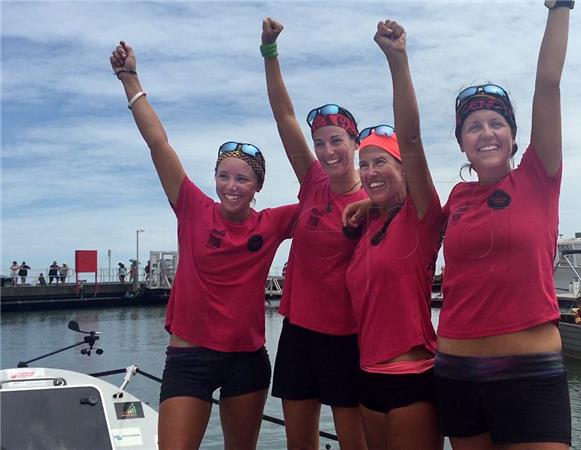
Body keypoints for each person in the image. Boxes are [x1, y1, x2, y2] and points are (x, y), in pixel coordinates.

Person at [111, 40, 298, 450]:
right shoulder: (193, 207)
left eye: (242, 179)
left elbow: (326, 203)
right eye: (224, 176)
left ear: (257, 187)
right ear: (214, 178)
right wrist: (130, 79)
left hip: (246, 361)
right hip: (188, 359)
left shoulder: (273, 222)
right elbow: (158, 142)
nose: (231, 187)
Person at [433, 3, 573, 448]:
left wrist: (560, 8)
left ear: (514, 136)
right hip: (457, 372)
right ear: (461, 143)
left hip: (531, 373)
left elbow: (548, 84)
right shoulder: (455, 199)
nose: (486, 132)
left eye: (497, 122)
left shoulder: (539, 176)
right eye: (473, 126)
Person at [260, 18, 368, 450]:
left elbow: (412, 193)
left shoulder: (371, 198)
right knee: (298, 443)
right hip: (299, 331)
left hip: (346, 337)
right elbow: (283, 115)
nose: (326, 151)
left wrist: (374, 204)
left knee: (353, 442)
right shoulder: (312, 182)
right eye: (320, 142)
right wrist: (269, 51)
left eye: (336, 140)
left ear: (355, 141)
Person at [342, 20, 444, 450]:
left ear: (404, 169)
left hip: (412, 378)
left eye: (380, 162)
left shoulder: (422, 216)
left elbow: (412, 137)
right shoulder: (368, 224)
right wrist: (369, 205)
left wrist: (397, 61)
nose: (369, 173)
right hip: (367, 376)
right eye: (363, 165)